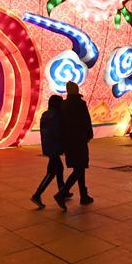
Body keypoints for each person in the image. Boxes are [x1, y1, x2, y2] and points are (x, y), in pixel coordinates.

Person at [54, 82, 94, 210]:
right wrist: (89, 135)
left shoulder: (63, 105)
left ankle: (83, 195)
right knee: (79, 168)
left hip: (68, 142)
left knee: (79, 168)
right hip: (79, 140)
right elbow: (86, 121)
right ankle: (62, 193)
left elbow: (61, 124)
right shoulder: (80, 104)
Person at [31, 95, 69, 208]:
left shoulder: (45, 114)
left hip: (48, 146)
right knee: (51, 173)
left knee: (59, 169)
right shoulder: (56, 116)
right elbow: (58, 133)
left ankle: (63, 192)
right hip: (55, 148)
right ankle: (37, 194)